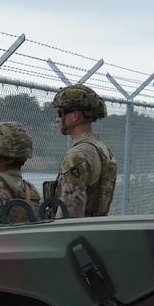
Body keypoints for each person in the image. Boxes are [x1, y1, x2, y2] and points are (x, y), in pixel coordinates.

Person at [46, 84, 118, 217]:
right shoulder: (103, 149)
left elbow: (70, 212)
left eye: (60, 113)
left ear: (75, 116)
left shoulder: (78, 154)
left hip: (75, 235)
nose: (57, 119)